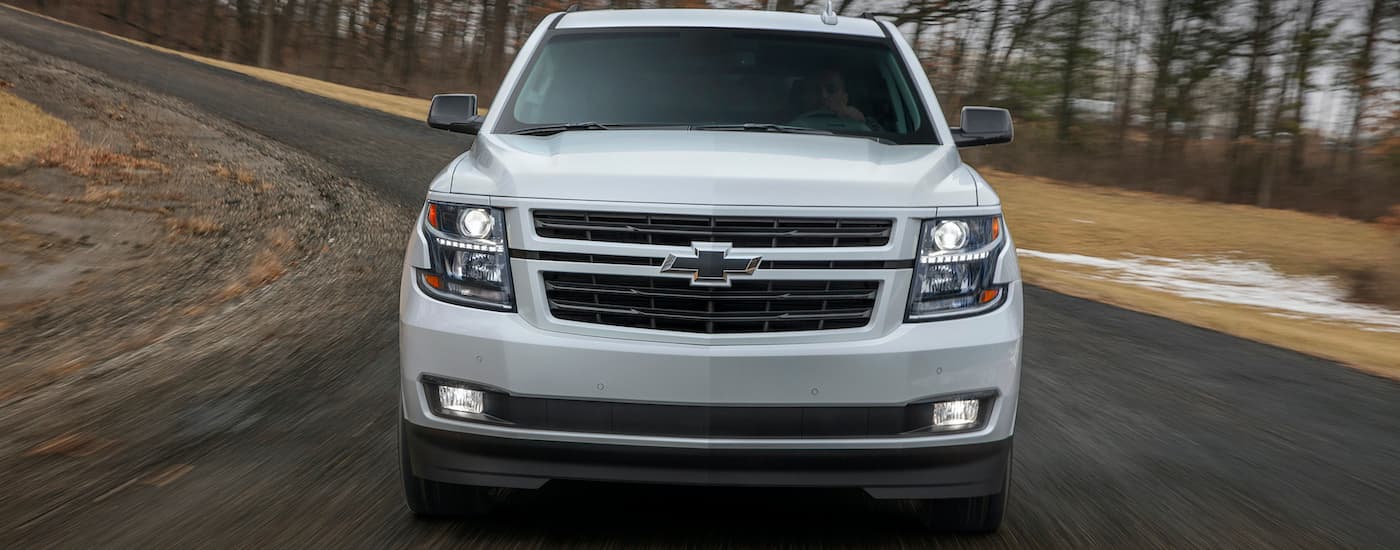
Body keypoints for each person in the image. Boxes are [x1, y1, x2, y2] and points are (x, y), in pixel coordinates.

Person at [790, 68, 869, 127]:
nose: (823, 96)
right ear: (804, 96)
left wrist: (861, 124)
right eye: (815, 90)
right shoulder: (782, 124)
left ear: (845, 98)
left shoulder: (866, 124)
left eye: (831, 89)